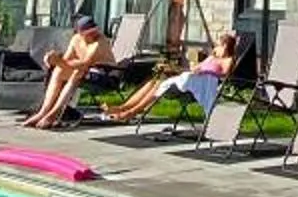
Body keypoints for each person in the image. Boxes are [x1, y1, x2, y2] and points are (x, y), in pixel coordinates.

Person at [101, 33, 237, 124]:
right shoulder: (212, 57)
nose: (215, 48)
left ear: (225, 46)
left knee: (159, 83)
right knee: (153, 81)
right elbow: (195, 68)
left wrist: (203, 70)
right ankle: (124, 107)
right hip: (189, 78)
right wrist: (190, 67)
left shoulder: (228, 60)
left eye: (218, 45)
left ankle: (130, 112)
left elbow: (225, 74)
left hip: (196, 85)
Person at [21, 16, 115, 129]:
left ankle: (53, 114)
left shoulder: (100, 42)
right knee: (59, 70)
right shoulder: (76, 39)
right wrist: (54, 59)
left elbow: (84, 63)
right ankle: (43, 112)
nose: (93, 35)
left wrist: (59, 61)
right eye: (89, 33)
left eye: (94, 31)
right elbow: (66, 59)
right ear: (80, 33)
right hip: (85, 71)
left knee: (76, 72)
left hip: (105, 75)